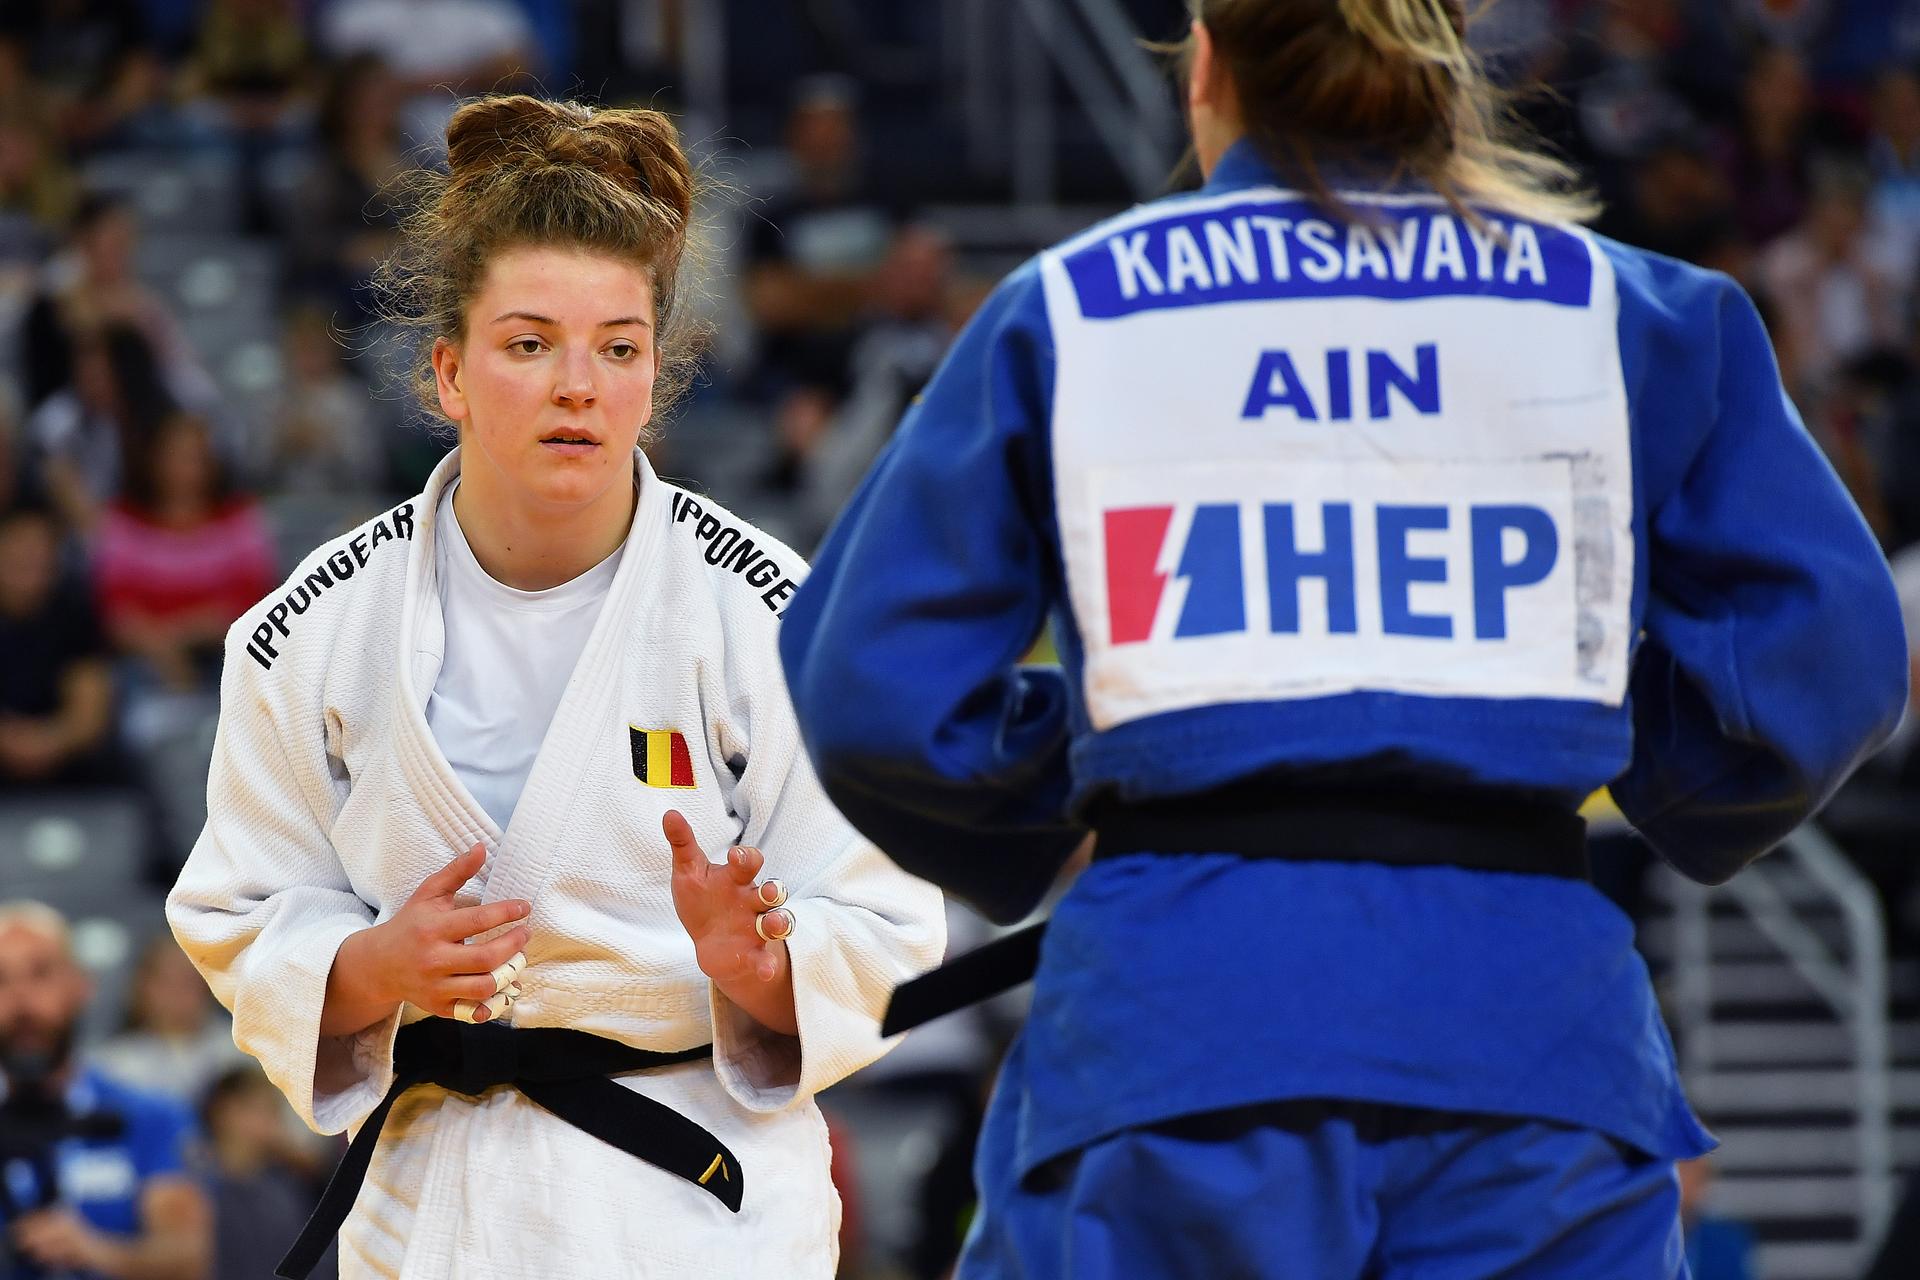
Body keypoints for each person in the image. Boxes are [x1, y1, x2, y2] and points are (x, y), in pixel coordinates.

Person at [777, 2, 1909, 1277]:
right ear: (1446, 73)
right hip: (1532, 1034)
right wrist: (1628, 752)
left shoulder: (1076, 308)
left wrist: (1086, 783)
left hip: (1182, 1024)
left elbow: (872, 684)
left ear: (1205, 66)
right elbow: (1836, 655)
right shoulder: (1630, 310)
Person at [165, 93, 944, 1280]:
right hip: (432, 1217)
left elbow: (886, 919)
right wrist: (376, 966)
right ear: (448, 374)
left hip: (699, 1212)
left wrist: (761, 966)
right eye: (529, 343)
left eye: (618, 347)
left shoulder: (772, 614)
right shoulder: (310, 629)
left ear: (656, 372)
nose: (578, 384)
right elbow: (240, 905)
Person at [0, 900, 211, 1280]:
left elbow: (189, 1259)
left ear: (81, 986)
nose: (20, 999)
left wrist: (97, 1252)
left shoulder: (151, 1117)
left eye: (40, 973)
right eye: (1, 979)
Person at [0, 500, 119, 790]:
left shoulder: (74, 614)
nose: (29, 558)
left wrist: (49, 741)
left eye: (39, 550)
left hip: (64, 757)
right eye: (17, 549)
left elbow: (90, 705)